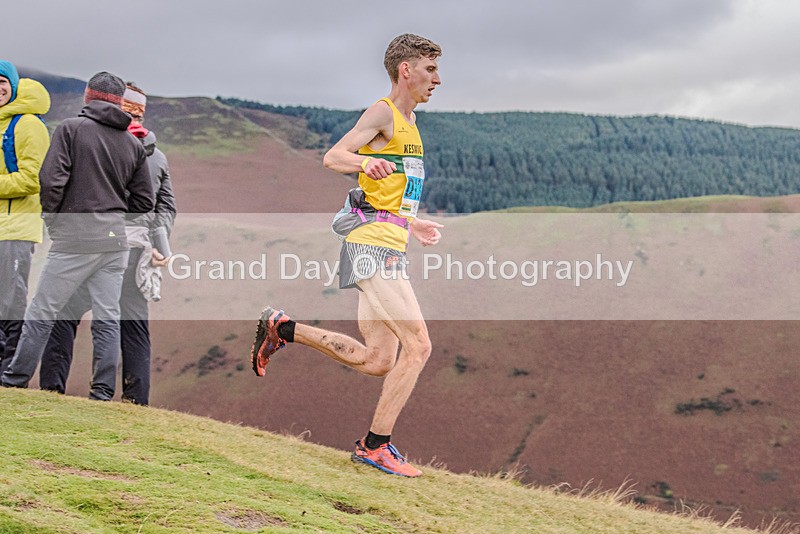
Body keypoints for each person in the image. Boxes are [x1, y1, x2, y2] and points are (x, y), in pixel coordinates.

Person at [251, 34, 443, 477]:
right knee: (419, 346)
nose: (438, 79)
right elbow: (333, 156)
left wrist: (414, 223)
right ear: (405, 71)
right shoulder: (384, 113)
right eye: (431, 69)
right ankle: (375, 446)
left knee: (378, 360)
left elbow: (388, 192)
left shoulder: (412, 126)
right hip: (370, 247)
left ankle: (284, 328)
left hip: (388, 241)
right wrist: (362, 163)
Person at [1, 72, 154, 400]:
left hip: (74, 237)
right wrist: (114, 216)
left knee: (42, 310)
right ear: (117, 100)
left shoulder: (71, 129)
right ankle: (101, 392)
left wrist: (56, 224)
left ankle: (13, 381)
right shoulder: (132, 144)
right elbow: (144, 202)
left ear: (88, 95)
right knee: (107, 317)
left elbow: (51, 183)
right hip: (115, 239)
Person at [38, 83, 176, 405]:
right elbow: (166, 207)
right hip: (139, 250)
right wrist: (159, 244)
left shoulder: (96, 141)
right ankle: (135, 402)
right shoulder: (158, 155)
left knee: (64, 312)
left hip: (97, 243)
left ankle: (51, 392)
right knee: (133, 324)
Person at [0, 60, 50, 374]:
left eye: (2, 82)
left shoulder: (28, 124)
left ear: (14, 85)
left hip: (16, 229)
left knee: (11, 303)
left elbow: (33, 179)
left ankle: (10, 374)